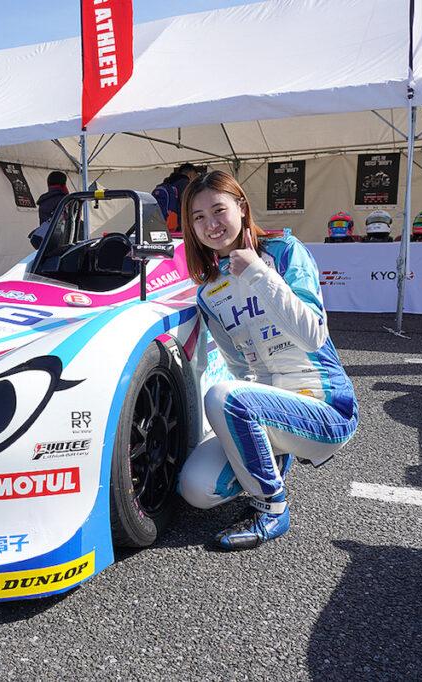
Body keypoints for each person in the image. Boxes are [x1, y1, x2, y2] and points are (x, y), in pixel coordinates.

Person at [178, 170, 358, 550]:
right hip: (271, 407)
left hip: (327, 408)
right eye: (198, 217)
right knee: (196, 488)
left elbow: (314, 334)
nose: (211, 225)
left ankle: (272, 509)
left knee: (224, 397)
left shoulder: (284, 252)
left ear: (242, 208)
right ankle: (275, 455)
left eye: (219, 210)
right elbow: (238, 367)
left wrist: (258, 274)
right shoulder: (209, 292)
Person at [153, 163, 202, 231]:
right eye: (196, 176)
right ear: (191, 174)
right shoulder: (184, 182)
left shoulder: (166, 183)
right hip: (178, 227)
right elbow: (187, 203)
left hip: (162, 225)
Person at [29, 171, 70, 248]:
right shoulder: (64, 199)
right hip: (61, 241)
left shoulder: (44, 199)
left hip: (45, 240)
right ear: (64, 183)